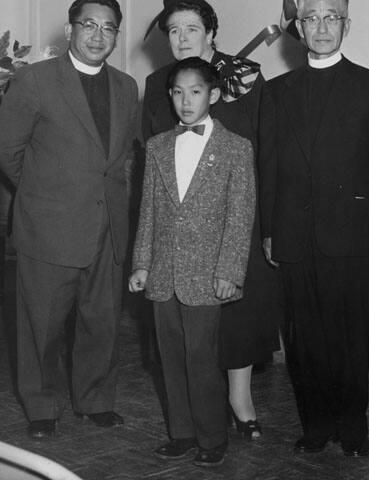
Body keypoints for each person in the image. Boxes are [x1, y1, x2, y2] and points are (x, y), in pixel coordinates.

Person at [259, 0, 369, 457]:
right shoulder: (277, 92)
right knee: (303, 340)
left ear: (346, 25)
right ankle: (316, 423)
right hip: (295, 237)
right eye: (311, 19)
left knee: (349, 336)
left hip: (352, 237)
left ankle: (353, 425)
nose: (321, 27)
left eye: (331, 18)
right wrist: (269, 232)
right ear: (298, 28)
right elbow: (270, 166)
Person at [0, 0, 138, 439]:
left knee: (102, 320)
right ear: (70, 29)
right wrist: (42, 194)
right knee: (41, 324)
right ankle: (40, 407)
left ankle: (95, 400)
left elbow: (124, 157)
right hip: (49, 225)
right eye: (89, 25)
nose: (98, 35)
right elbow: (3, 149)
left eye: (108, 27)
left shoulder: (127, 86)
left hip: (107, 227)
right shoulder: (35, 80)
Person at [143, 0, 279, 438]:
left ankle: (240, 398)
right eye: (174, 31)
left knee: (237, 307)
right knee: (184, 329)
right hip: (181, 218)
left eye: (192, 29)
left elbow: (262, 147)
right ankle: (193, 413)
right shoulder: (159, 83)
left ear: (212, 33)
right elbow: (154, 154)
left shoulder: (244, 77)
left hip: (237, 208)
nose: (182, 38)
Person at [129, 57, 256, 467]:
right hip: (164, 273)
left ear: (214, 95)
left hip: (207, 274)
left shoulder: (236, 148)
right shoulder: (158, 145)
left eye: (196, 91)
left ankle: (212, 436)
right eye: (178, 92)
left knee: (201, 358)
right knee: (170, 356)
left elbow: (240, 217)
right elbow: (147, 211)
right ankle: (181, 433)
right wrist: (141, 264)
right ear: (170, 96)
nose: (186, 101)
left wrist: (229, 272)